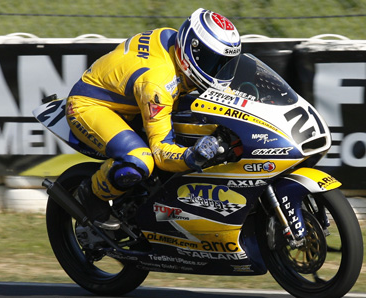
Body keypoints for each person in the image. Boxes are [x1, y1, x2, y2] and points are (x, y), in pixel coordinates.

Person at [65, 8, 242, 229]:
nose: (219, 72)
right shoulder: (159, 83)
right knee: (139, 160)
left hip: (133, 100)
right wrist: (191, 155)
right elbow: (161, 151)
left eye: (225, 64)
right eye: (213, 62)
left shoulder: (176, 44)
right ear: (192, 50)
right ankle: (90, 195)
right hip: (90, 105)